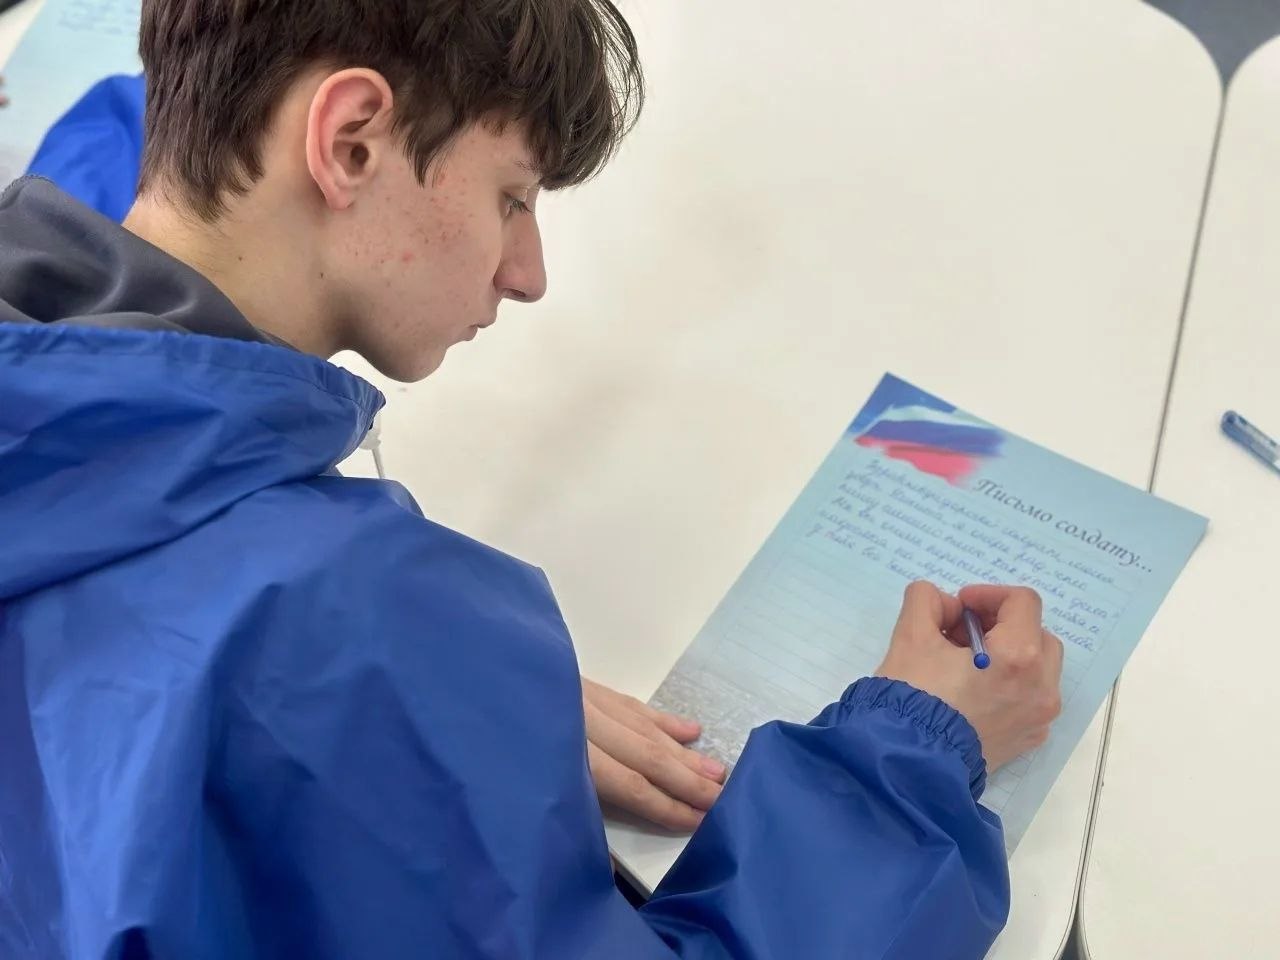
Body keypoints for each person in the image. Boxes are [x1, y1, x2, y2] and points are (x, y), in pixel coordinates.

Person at [0, 2, 1064, 958]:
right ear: (350, 141)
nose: (528, 272)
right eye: (512, 197)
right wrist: (914, 755)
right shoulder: (358, 622)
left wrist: (429, 724)